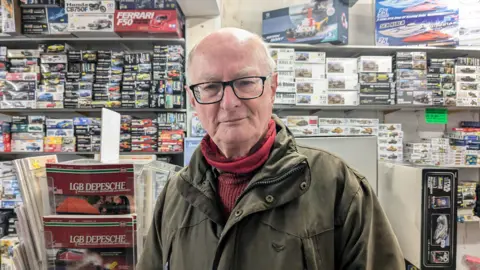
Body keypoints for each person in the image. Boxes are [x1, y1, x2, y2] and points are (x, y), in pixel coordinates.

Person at [137, 28, 405, 269]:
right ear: (193, 100)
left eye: (245, 82)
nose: (229, 102)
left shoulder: (339, 186)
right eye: (210, 87)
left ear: (273, 88)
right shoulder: (175, 194)